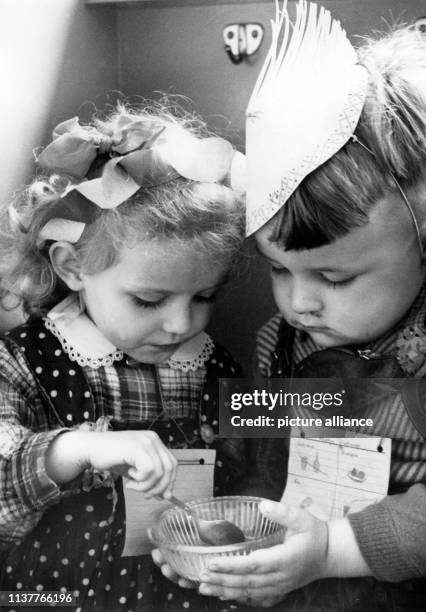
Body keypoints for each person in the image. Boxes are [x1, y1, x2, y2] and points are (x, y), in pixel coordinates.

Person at [195, 1, 426, 610]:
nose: (298, 304)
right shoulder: (279, 341)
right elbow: (260, 468)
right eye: (277, 270)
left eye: (335, 278)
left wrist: (328, 552)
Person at [0, 100, 247, 611]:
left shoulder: (215, 366)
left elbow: (255, 471)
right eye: (149, 301)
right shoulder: (21, 364)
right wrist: (80, 450)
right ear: (72, 267)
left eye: (204, 297)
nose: (182, 325)